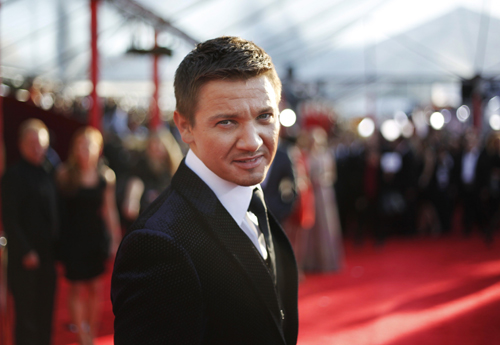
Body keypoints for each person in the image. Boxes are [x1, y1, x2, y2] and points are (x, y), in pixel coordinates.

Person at [111, 36, 299, 345]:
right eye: (227, 122)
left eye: (265, 116)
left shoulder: (251, 196)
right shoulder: (158, 245)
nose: (252, 141)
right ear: (185, 127)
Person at [56, 126, 121, 345]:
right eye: (80, 145)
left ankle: (91, 334)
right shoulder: (65, 174)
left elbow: (109, 210)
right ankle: (83, 338)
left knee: (95, 287)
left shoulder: (105, 176)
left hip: (95, 239)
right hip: (72, 239)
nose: (84, 150)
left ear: (98, 148)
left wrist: (115, 239)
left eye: (88, 145)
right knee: (75, 287)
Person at [1, 119, 59, 345]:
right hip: (25, 260)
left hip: (47, 257)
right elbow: (10, 219)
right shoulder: (13, 176)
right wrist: (25, 251)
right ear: (21, 144)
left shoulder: (48, 173)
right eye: (32, 143)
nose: (37, 148)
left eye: (41, 143)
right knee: (27, 318)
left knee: (46, 315)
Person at [121, 129, 183, 221]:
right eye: (153, 146)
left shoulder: (174, 171)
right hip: (146, 216)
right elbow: (136, 183)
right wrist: (132, 200)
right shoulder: (142, 165)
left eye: (160, 145)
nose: (157, 149)